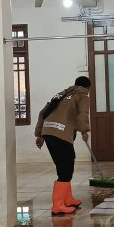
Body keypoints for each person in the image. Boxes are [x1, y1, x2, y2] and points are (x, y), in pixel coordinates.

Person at [35, 76, 91, 216]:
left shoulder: (61, 94)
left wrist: (39, 135)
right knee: (66, 168)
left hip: (48, 133)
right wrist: (84, 130)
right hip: (61, 134)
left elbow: (43, 113)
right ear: (87, 87)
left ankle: (67, 199)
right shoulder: (83, 95)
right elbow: (83, 114)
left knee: (63, 167)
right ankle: (58, 206)